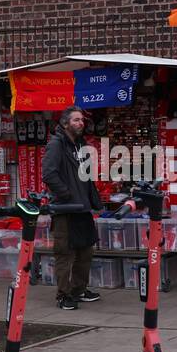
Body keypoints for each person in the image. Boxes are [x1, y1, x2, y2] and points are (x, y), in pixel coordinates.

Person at [42, 106, 102, 311]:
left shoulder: (80, 144)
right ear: (65, 123)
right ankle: (63, 295)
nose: (81, 123)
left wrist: (91, 198)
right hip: (65, 209)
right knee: (65, 253)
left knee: (85, 251)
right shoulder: (56, 144)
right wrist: (66, 194)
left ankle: (79, 290)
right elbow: (49, 174)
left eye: (82, 120)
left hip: (83, 208)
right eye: (76, 120)